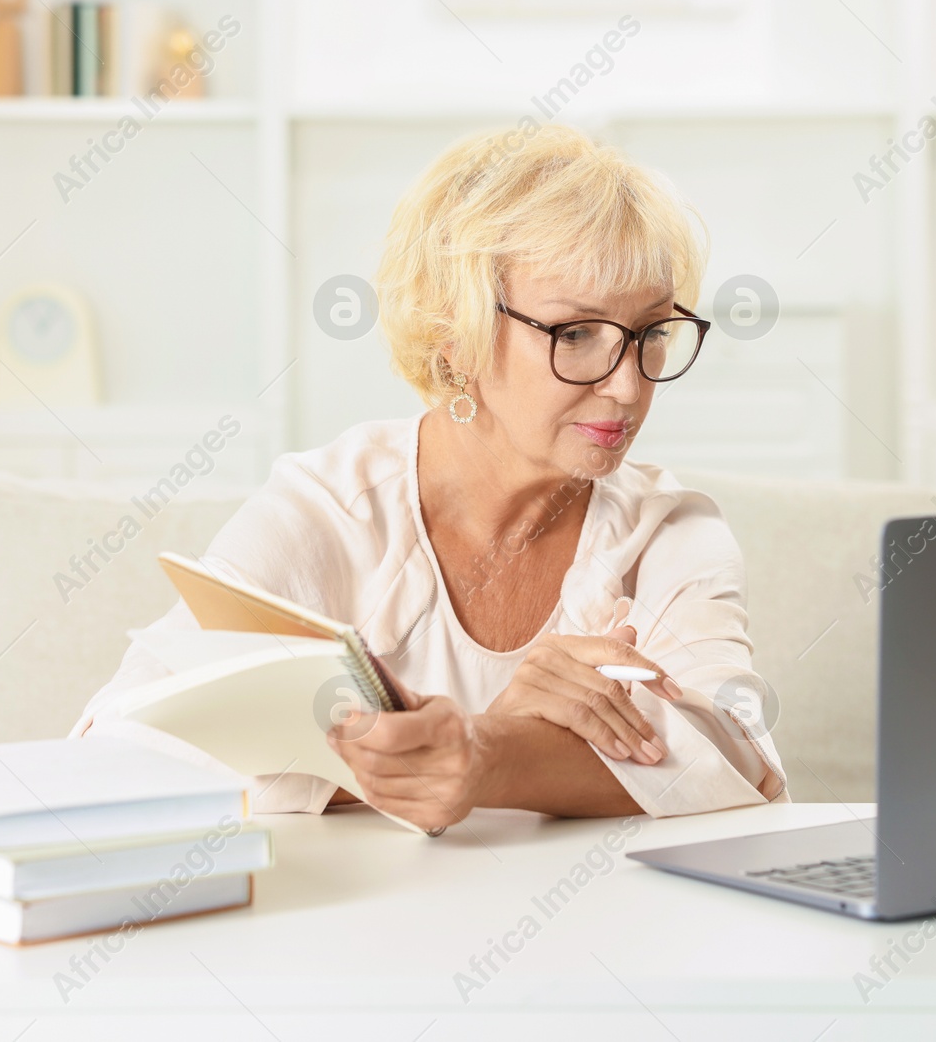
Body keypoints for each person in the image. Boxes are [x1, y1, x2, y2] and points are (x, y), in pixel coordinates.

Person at [73, 123, 788, 832]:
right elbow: (115, 745)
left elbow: (739, 750)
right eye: (576, 334)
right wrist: (467, 748)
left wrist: (486, 757)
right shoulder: (330, 512)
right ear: (459, 337)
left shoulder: (669, 529)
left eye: (653, 333)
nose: (630, 387)